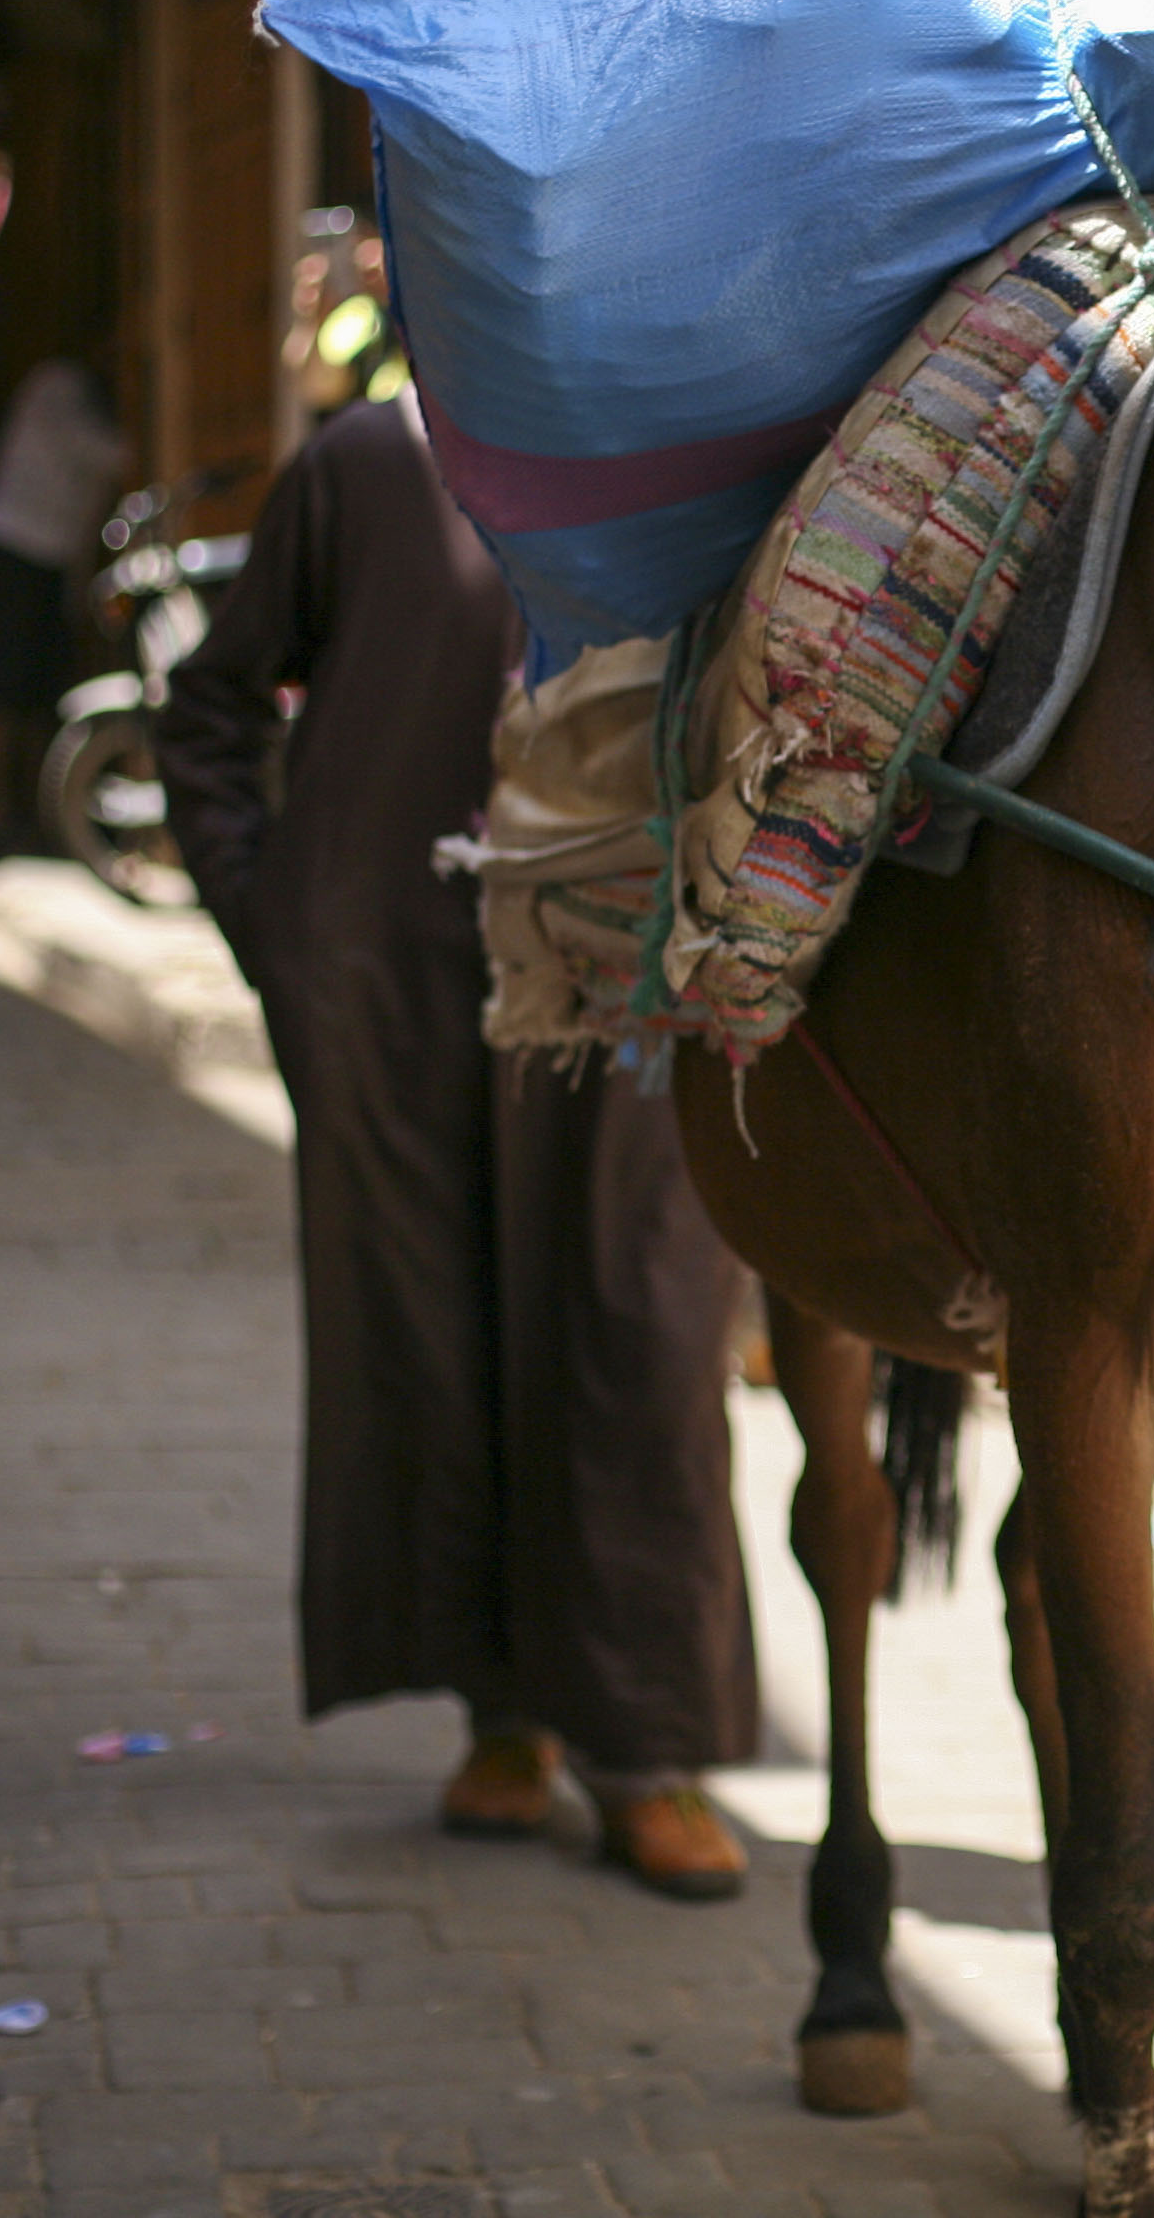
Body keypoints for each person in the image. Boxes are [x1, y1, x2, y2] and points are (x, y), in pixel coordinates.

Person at [153, 382, 762, 1897]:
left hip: (631, 986)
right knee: (435, 1343)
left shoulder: (702, 433)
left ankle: (646, 1747)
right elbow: (211, 706)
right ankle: (503, 1718)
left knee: (635, 1337)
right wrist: (276, 923)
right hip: (400, 992)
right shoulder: (370, 462)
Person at [0, 355, 126, 836]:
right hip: (12, 549)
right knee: (4, 687)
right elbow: (105, 455)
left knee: (40, 686)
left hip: (50, 559)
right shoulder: (56, 385)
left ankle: (39, 807)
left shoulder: (81, 396)